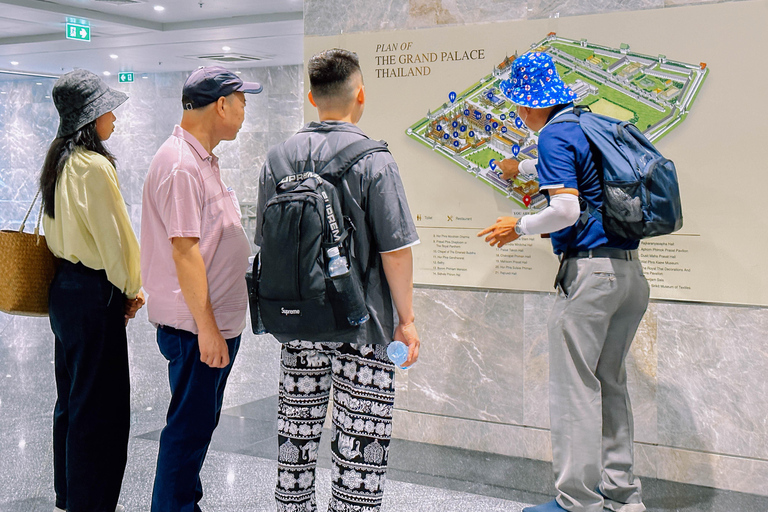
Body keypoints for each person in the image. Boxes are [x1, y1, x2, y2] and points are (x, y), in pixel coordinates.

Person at [479, 52, 649, 512]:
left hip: (590, 277)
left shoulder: (552, 133)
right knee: (610, 383)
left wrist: (516, 226)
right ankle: (622, 497)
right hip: (629, 274)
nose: (518, 115)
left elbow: (567, 211)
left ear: (532, 104)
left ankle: (577, 502)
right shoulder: (588, 124)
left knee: (575, 388)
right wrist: (525, 170)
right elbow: (588, 179)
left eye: (519, 105)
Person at [255, 48, 421, 512]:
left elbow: (265, 243)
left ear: (311, 97)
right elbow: (395, 250)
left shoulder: (276, 160)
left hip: (296, 323)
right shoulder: (375, 161)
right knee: (359, 454)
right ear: (360, 95)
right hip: (362, 327)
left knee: (297, 441)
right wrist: (406, 320)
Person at [140, 66, 261, 511]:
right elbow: (185, 253)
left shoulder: (202, 160)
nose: (246, 108)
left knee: (196, 430)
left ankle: (184, 503)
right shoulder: (180, 165)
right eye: (242, 100)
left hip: (213, 325)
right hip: (197, 330)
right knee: (186, 433)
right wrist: (208, 329)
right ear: (222, 104)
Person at [42, 68, 144, 512]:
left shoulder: (57, 161)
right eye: (107, 108)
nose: (114, 116)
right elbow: (115, 240)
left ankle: (70, 493)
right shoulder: (94, 166)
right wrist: (132, 289)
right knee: (102, 409)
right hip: (93, 293)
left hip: (62, 290)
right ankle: (91, 501)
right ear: (89, 116)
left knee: (72, 397)